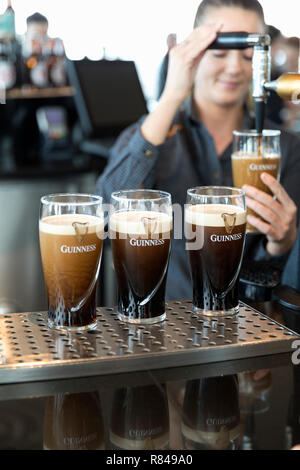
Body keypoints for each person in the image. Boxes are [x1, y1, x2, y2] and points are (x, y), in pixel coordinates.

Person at [96, 0, 300, 300]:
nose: (234, 67)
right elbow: (102, 213)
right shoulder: (152, 135)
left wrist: (282, 243)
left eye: (247, 55)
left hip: (247, 327)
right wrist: (172, 94)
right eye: (218, 51)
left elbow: (273, 279)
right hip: (161, 326)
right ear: (191, 50)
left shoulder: (284, 147)